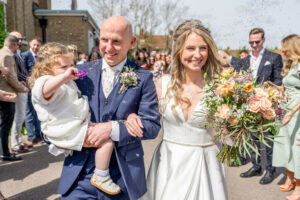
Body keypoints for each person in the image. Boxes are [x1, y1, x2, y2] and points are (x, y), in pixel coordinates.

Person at [57, 16, 160, 200]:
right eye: (104, 40)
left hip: (122, 177)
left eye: (117, 42)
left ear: (132, 42)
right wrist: (54, 137)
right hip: (80, 177)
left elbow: (151, 126)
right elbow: (53, 113)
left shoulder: (144, 78)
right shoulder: (81, 73)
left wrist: (112, 128)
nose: (109, 47)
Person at [138, 19, 227, 200]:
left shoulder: (221, 87)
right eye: (190, 48)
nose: (197, 54)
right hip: (169, 164)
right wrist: (132, 116)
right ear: (178, 51)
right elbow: (146, 119)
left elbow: (229, 132)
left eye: (203, 48)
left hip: (207, 164)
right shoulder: (163, 84)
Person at [29, 42, 133, 195]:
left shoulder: (68, 82)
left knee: (103, 137)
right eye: (64, 67)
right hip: (65, 129)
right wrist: (64, 77)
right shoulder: (45, 82)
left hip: (72, 126)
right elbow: (42, 92)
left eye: (71, 64)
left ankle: (99, 174)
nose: (70, 69)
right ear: (46, 69)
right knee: (105, 140)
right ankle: (101, 175)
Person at [235, 28, 283, 184]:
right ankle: (256, 167)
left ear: (263, 40)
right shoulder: (243, 61)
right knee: (252, 138)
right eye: (251, 42)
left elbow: (278, 81)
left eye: (257, 41)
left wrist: (270, 92)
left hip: (267, 104)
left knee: (268, 139)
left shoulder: (274, 57)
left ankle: (270, 170)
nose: (254, 45)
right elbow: (238, 83)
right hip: (249, 106)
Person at [272, 34, 300, 200]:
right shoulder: (291, 64)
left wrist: (291, 112)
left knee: (297, 147)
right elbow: (286, 86)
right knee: (285, 144)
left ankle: (299, 185)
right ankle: (290, 177)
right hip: (286, 107)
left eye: (285, 48)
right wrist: (272, 87)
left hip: (297, 111)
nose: (282, 51)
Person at [0, 35, 28, 161]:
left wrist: (19, 83)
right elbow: (9, 76)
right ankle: (4, 153)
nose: (18, 47)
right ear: (14, 45)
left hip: (5, 92)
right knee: (5, 124)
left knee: (3, 124)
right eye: (18, 45)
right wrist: (23, 89)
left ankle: (3, 151)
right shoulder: (7, 55)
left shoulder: (2, 52)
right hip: (6, 94)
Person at [9, 31, 30, 153]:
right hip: (17, 88)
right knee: (18, 116)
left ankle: (18, 141)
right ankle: (15, 145)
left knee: (20, 116)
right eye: (17, 39)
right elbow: (13, 73)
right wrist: (24, 81)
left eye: (21, 39)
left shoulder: (18, 53)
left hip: (23, 87)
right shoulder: (10, 54)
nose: (20, 41)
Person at [22, 37, 42, 146]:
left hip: (38, 88)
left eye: (38, 45)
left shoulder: (41, 57)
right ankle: (31, 136)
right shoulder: (25, 56)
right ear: (30, 44)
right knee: (29, 112)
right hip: (29, 88)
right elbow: (23, 73)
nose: (36, 47)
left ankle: (39, 134)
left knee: (38, 111)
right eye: (34, 44)